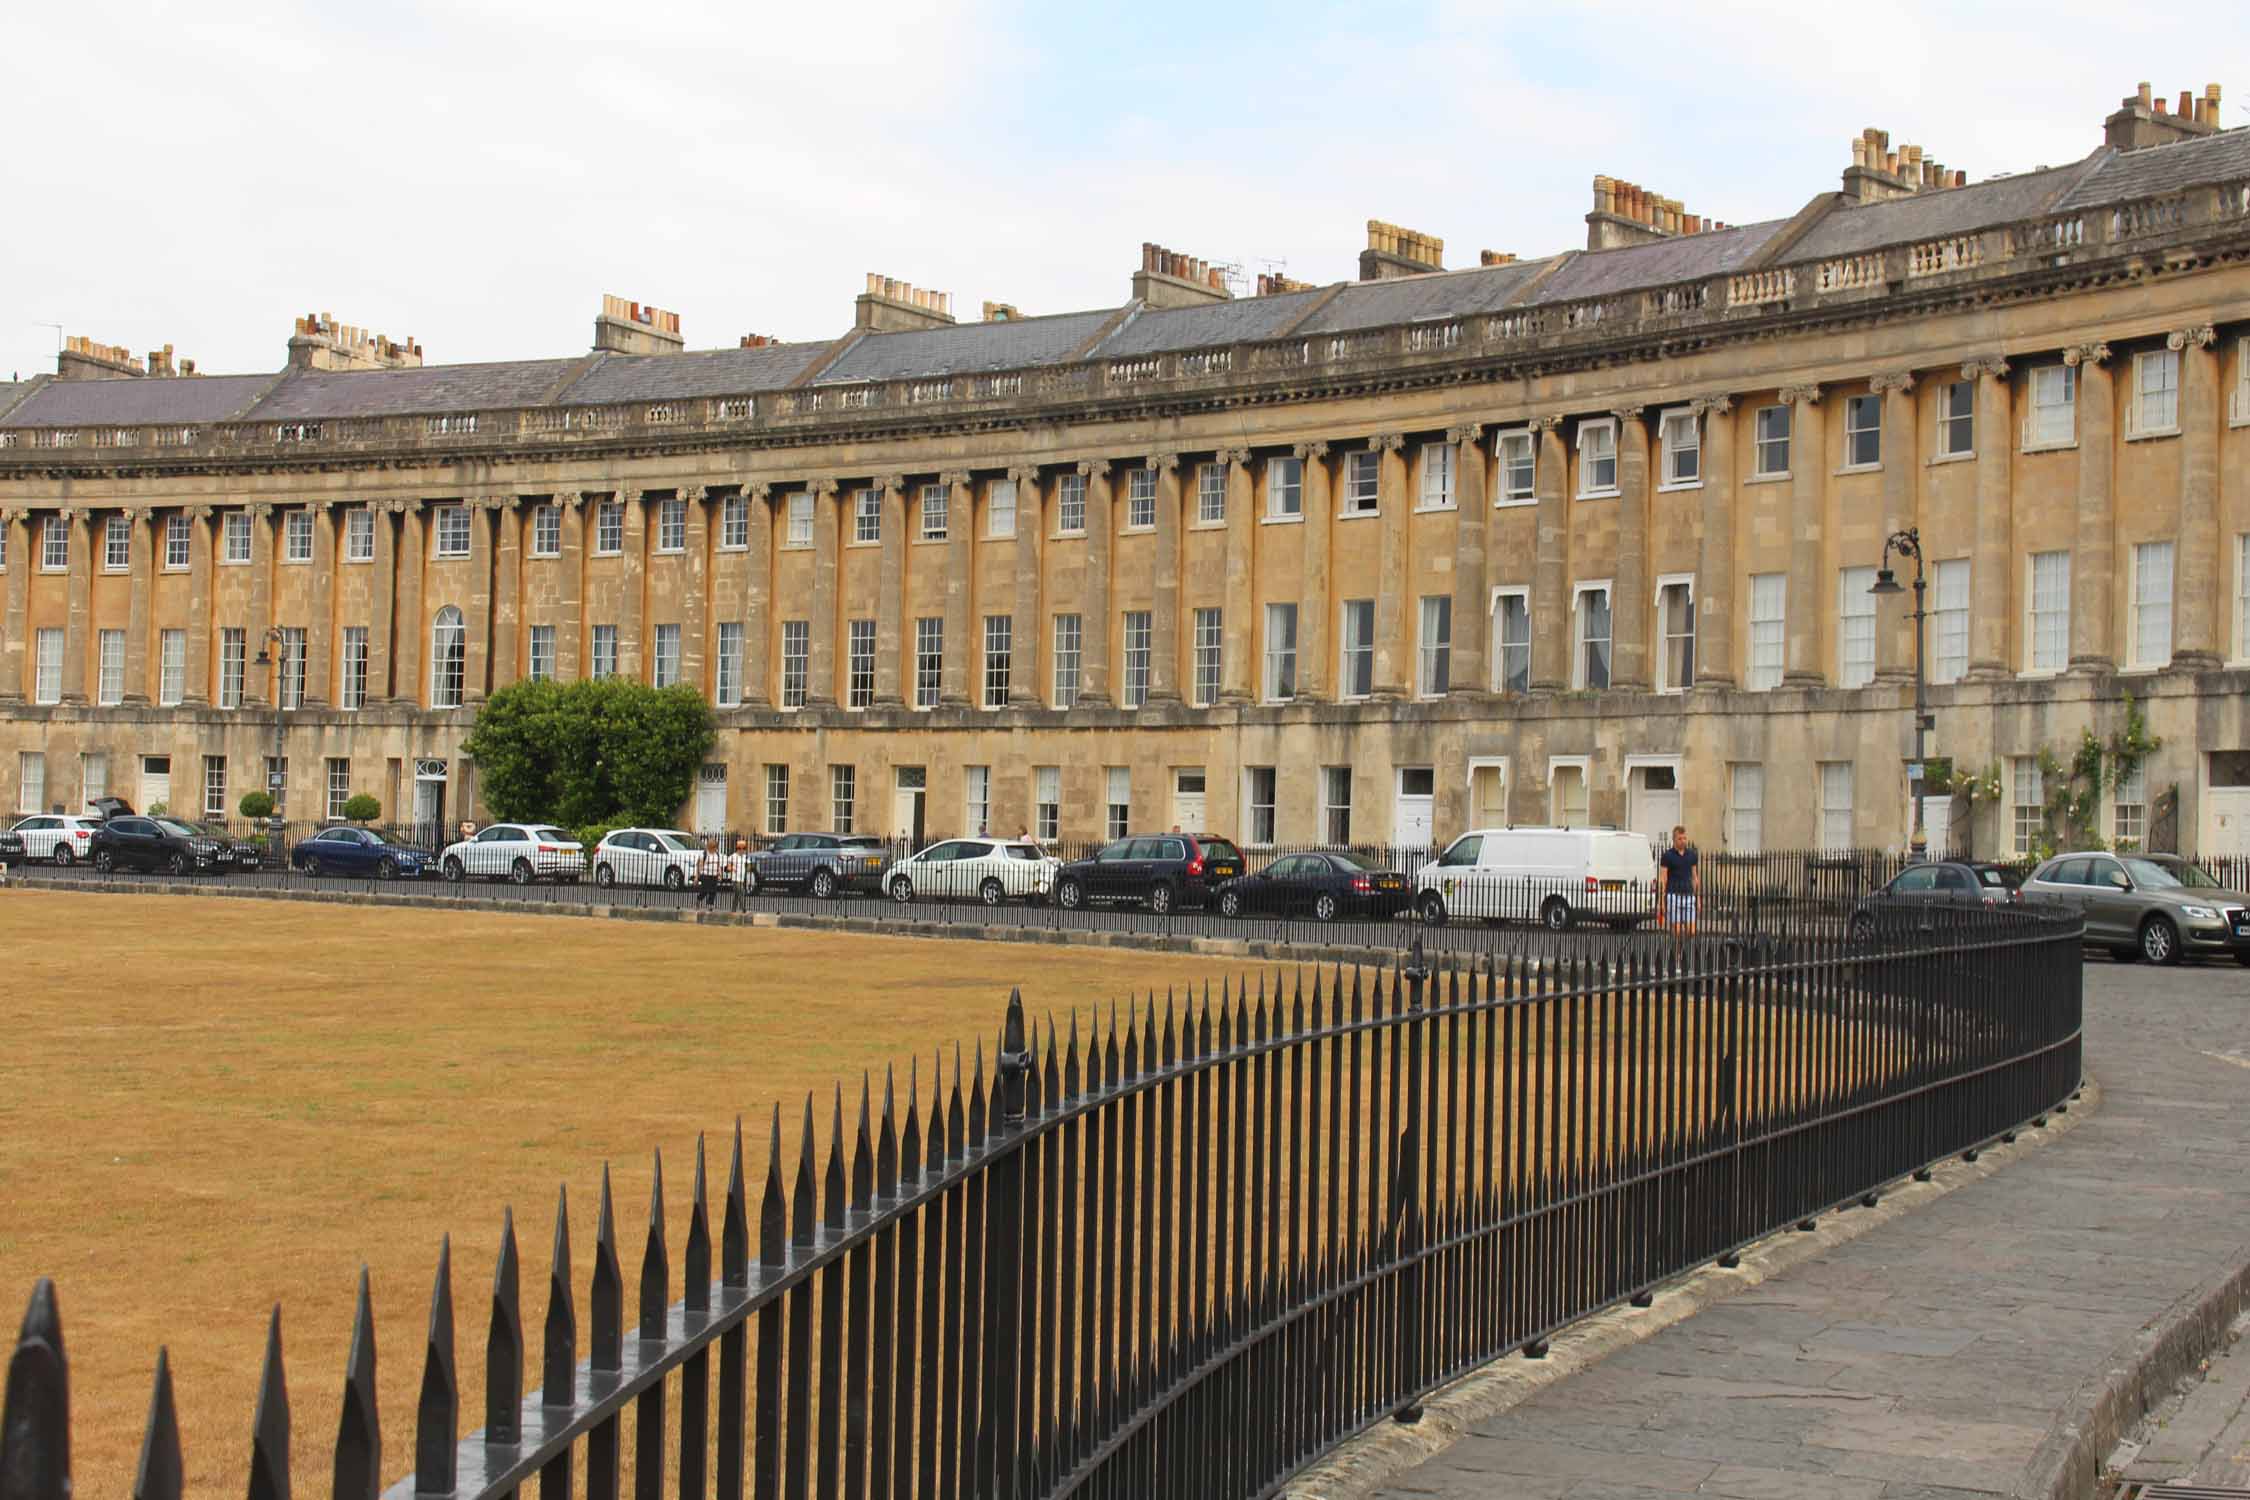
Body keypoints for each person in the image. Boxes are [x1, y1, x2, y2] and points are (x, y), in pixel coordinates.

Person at [1659, 825, 1699, 937]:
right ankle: (1677, 954)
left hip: (1689, 895)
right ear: (1674, 839)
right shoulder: (1667, 856)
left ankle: (1684, 951)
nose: (1683, 841)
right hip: (1673, 895)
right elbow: (1663, 879)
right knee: (1677, 932)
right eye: (1680, 839)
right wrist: (1662, 901)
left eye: (1684, 838)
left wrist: (1698, 898)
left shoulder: (1692, 855)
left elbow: (1695, 877)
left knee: (1692, 932)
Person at [695, 835, 724, 909]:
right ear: (709, 847)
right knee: (705, 890)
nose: (714, 849)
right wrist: (697, 877)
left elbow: (718, 865)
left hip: (714, 875)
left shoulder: (717, 855)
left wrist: (720, 874)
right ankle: (699, 899)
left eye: (715, 847)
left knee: (713, 891)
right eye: (713, 847)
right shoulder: (704, 855)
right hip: (705, 875)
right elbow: (699, 866)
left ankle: (710, 905)